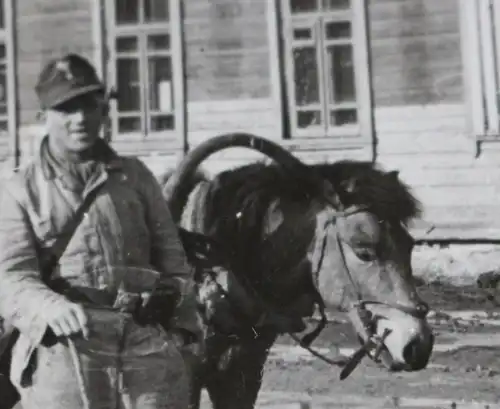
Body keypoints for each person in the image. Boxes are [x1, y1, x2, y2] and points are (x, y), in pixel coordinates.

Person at [0, 53, 202, 409]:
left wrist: (184, 331)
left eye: (89, 106)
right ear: (44, 116)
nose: (80, 119)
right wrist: (48, 306)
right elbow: (11, 277)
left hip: (144, 346)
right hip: (64, 350)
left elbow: (173, 261)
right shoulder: (19, 190)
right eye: (66, 109)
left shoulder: (135, 177)